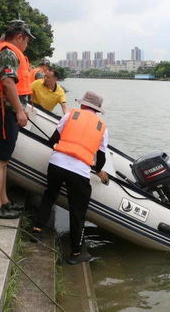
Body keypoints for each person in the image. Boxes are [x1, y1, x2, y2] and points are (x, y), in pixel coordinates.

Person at [33, 91, 110, 265]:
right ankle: (76, 253)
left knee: (50, 195)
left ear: (83, 104)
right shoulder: (102, 127)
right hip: (79, 172)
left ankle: (37, 229)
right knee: (77, 212)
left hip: (57, 164)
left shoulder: (71, 115)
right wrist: (97, 169)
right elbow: (102, 158)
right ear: (97, 110)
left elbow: (53, 140)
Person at [0, 20, 35, 219]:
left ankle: (4, 201)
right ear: (19, 37)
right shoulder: (8, 53)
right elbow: (7, 83)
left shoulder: (9, 52)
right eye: (27, 40)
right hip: (0, 112)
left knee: (3, 160)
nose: (27, 45)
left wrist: (20, 109)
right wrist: (20, 111)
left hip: (4, 112)